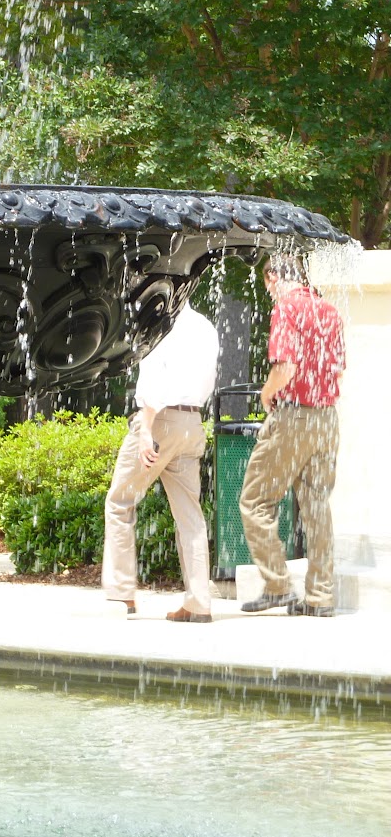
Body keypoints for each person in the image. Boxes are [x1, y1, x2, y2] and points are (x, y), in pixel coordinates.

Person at [239, 256, 346, 617]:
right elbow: (337, 371)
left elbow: (286, 366)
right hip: (326, 418)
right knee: (317, 508)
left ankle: (277, 586)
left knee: (255, 501)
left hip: (293, 415)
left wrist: (267, 392)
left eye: (267, 284)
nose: (269, 292)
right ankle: (320, 597)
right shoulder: (329, 311)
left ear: (273, 277)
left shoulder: (287, 308)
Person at [103, 301, 220, 622]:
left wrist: (146, 430)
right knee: (190, 516)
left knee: (119, 502)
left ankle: (122, 595)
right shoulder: (205, 326)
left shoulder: (159, 322)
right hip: (192, 422)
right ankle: (199, 602)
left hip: (160, 421)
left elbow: (155, 376)